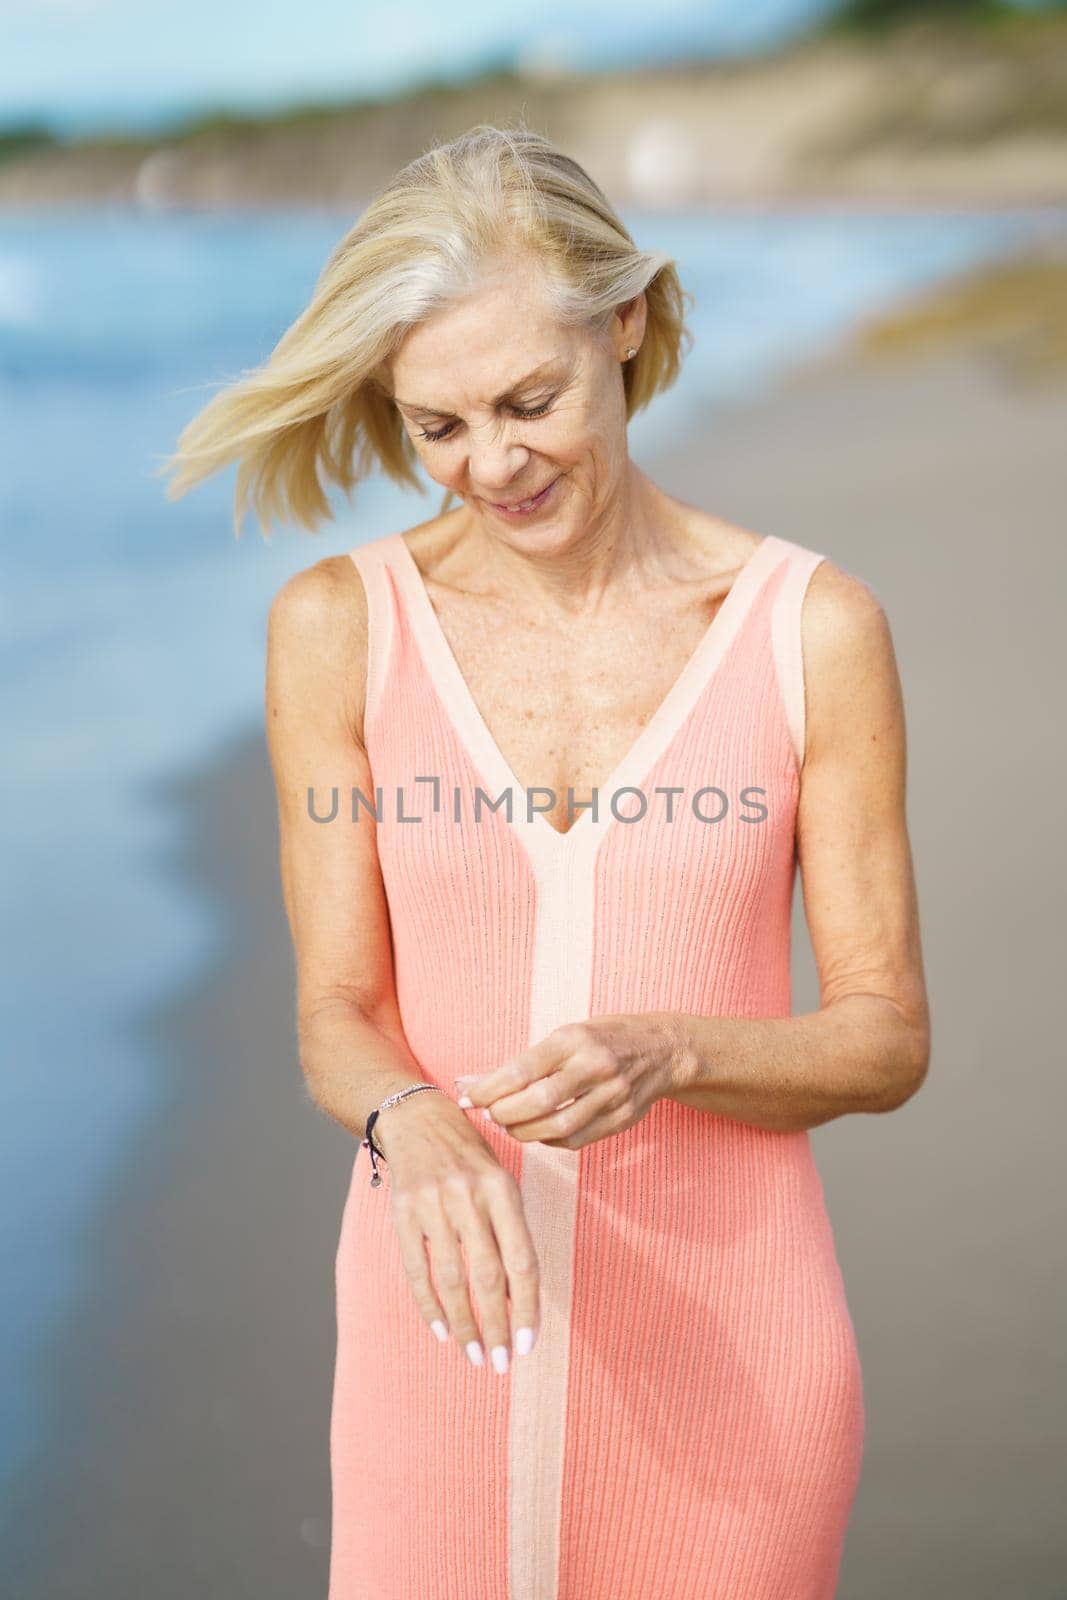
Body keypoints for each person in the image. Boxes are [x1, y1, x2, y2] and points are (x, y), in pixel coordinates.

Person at [161, 121, 930, 1600]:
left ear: (625, 323)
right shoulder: (339, 627)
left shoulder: (807, 630)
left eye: (530, 400)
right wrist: (407, 1121)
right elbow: (337, 1009)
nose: (494, 466)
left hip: (734, 1357)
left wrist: (671, 1052)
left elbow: (885, 1036)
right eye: (436, 429)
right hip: (435, 1336)